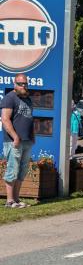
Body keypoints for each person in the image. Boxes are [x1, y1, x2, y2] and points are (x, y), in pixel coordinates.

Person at [0, 73, 34, 208]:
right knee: (12, 170)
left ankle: (16, 199)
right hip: (13, 141)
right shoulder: (9, 98)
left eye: (25, 83)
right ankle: (9, 201)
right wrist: (15, 136)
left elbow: (29, 119)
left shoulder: (27, 99)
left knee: (22, 170)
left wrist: (32, 136)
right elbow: (5, 119)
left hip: (27, 140)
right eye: (21, 84)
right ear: (15, 84)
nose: (24, 86)